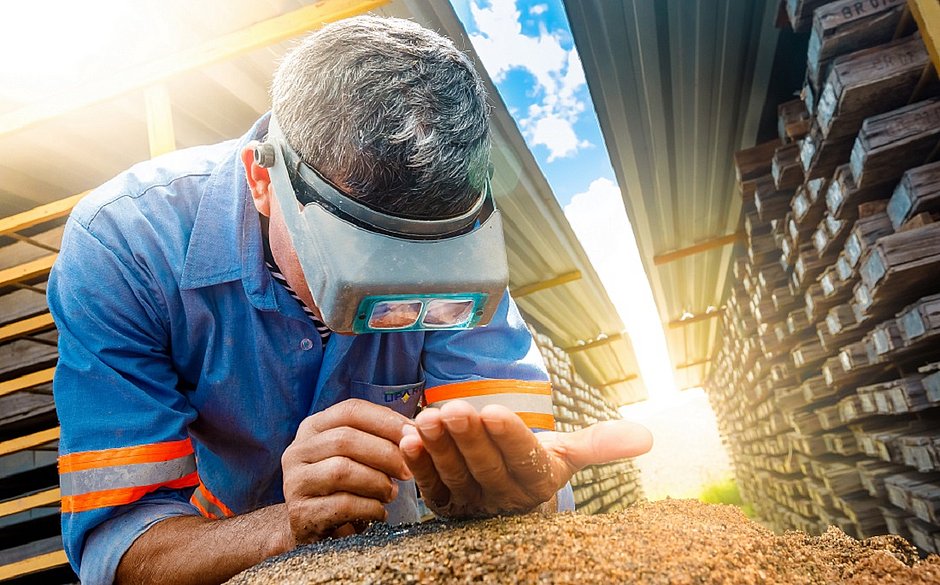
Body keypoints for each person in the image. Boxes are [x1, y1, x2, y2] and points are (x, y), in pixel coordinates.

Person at [48, 15, 652, 585]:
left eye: (430, 268)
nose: (393, 304)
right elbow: (122, 544)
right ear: (264, 181)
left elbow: (515, 465)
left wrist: (524, 489)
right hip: (225, 554)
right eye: (362, 266)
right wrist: (288, 525)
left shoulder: (467, 254)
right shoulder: (127, 246)